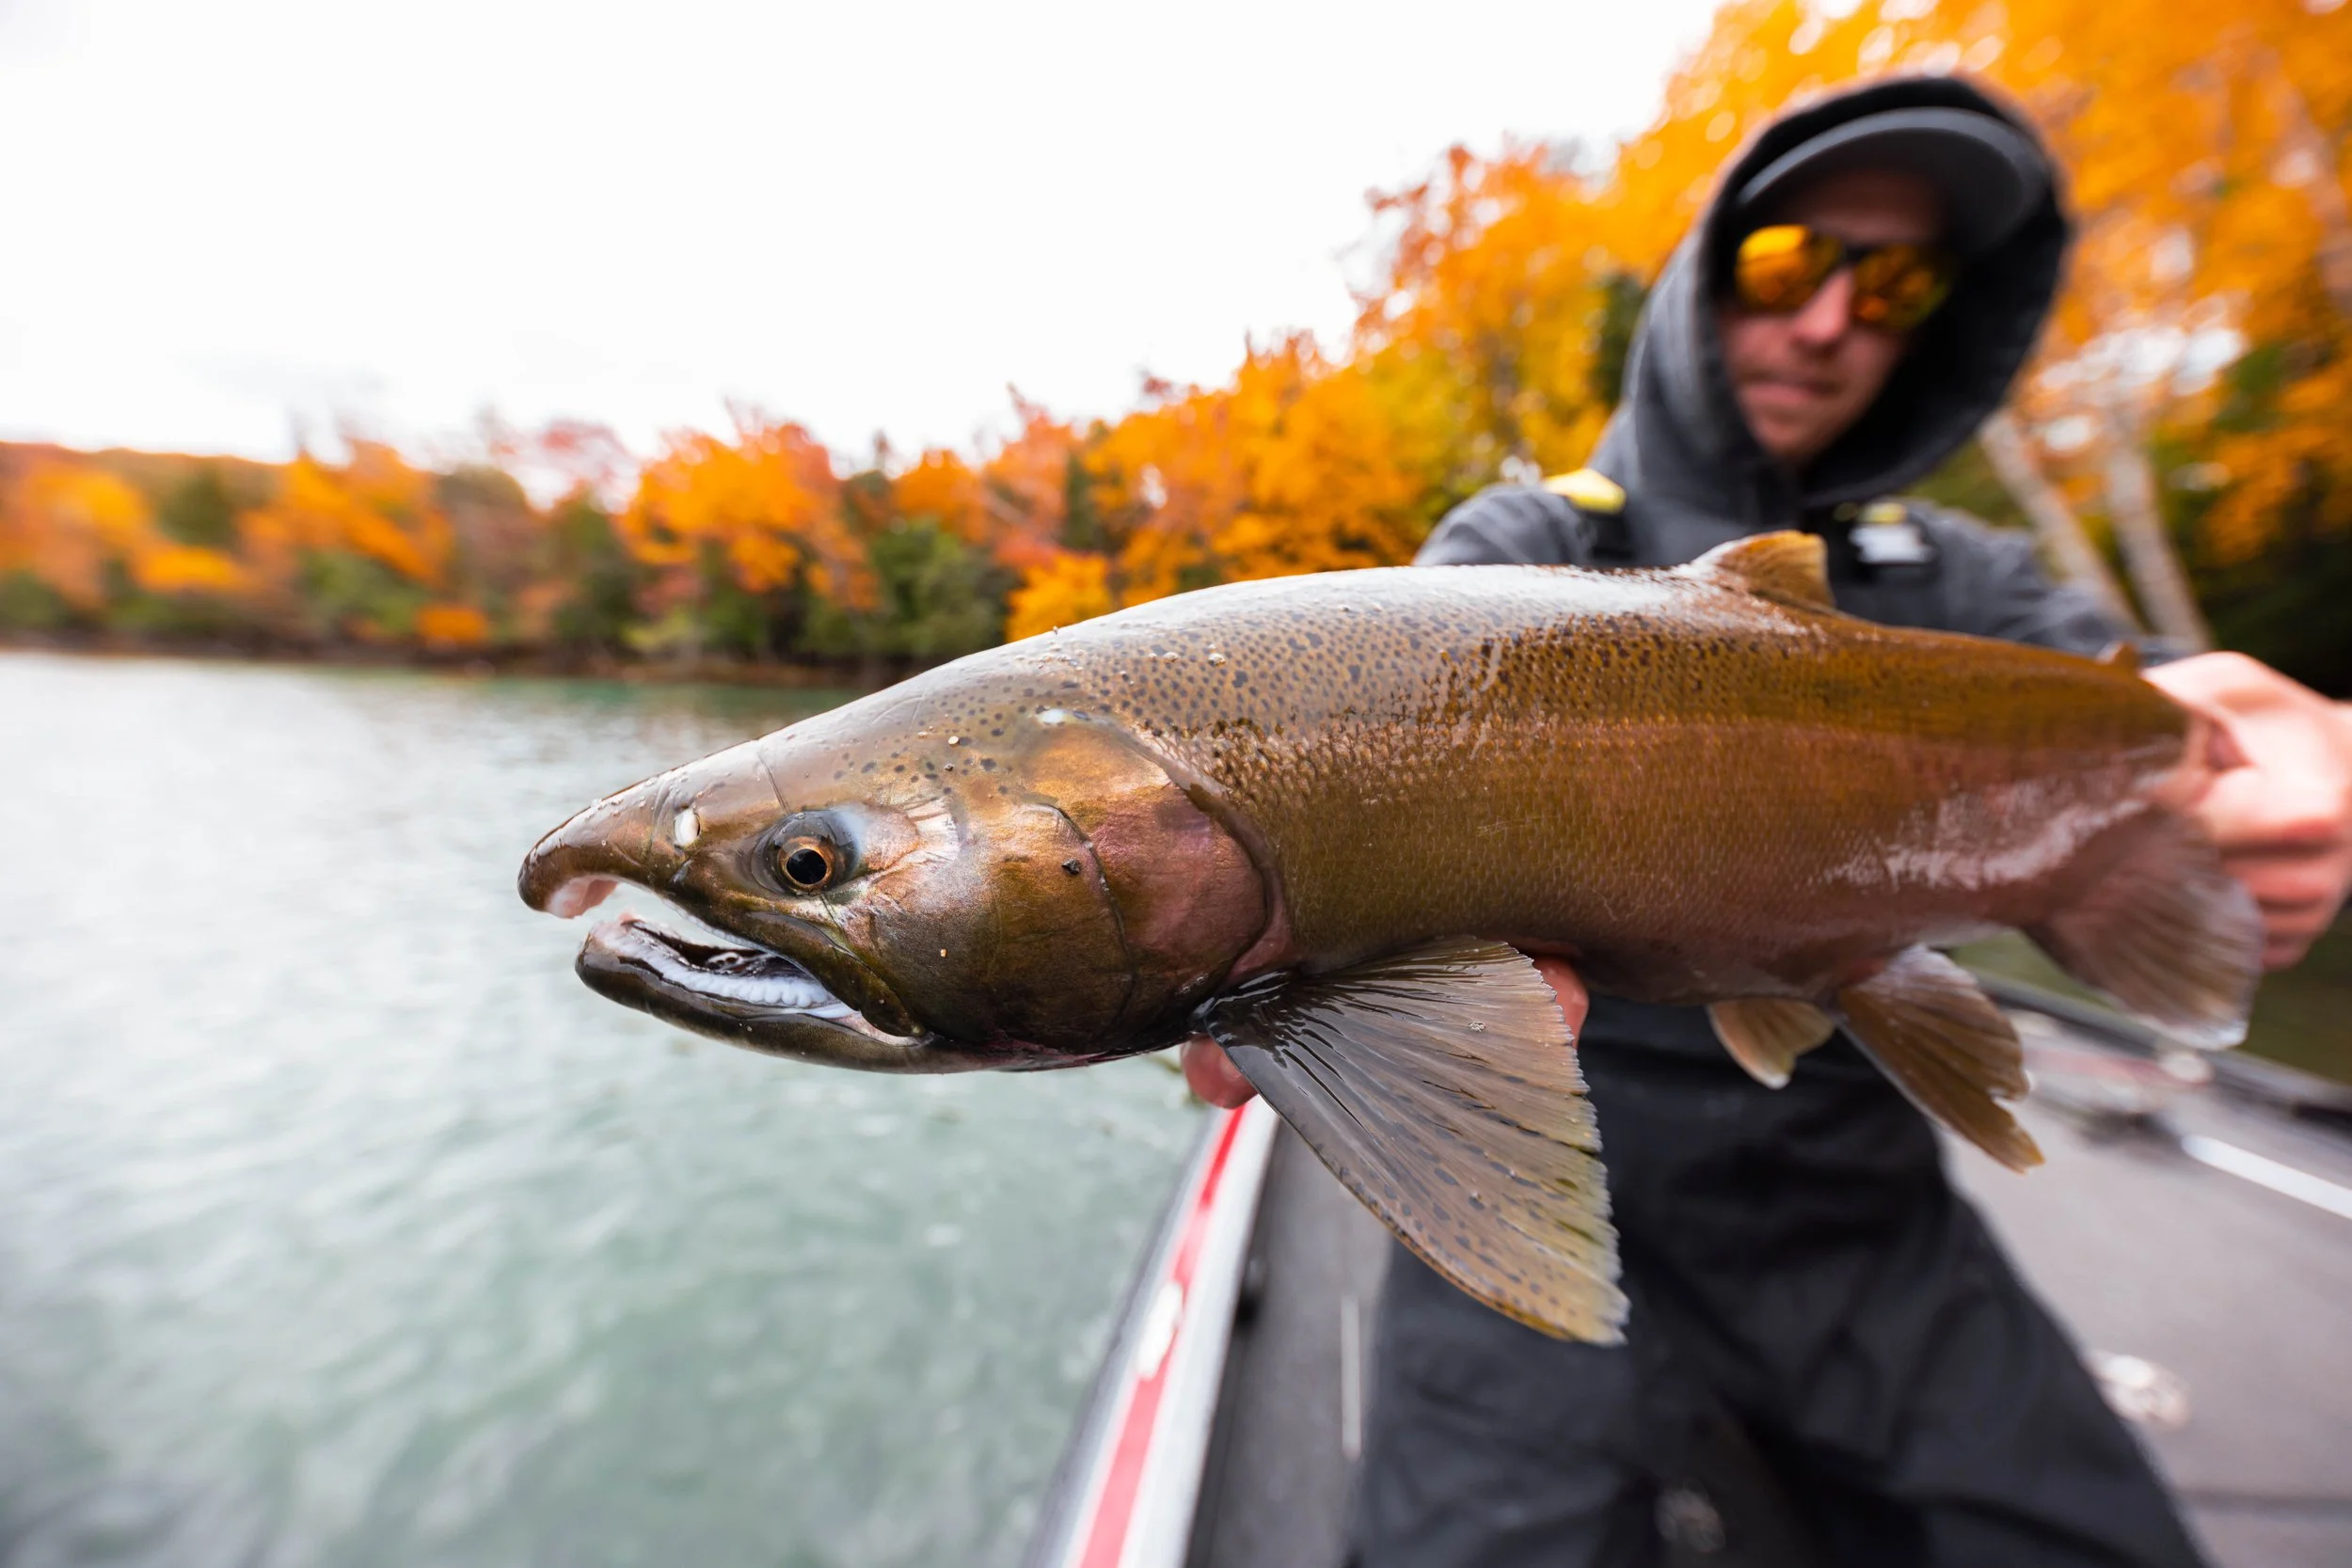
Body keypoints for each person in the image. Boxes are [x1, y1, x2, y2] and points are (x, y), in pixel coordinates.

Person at [1181, 75, 2352, 1567]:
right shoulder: (1527, 548)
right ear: (1702, 277)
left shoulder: (1965, 579)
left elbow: (2180, 704)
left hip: (1852, 1197)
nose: (1829, 322)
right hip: (1544, 1133)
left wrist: (2291, 747)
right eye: (1790, 265)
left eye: (1899, 286)